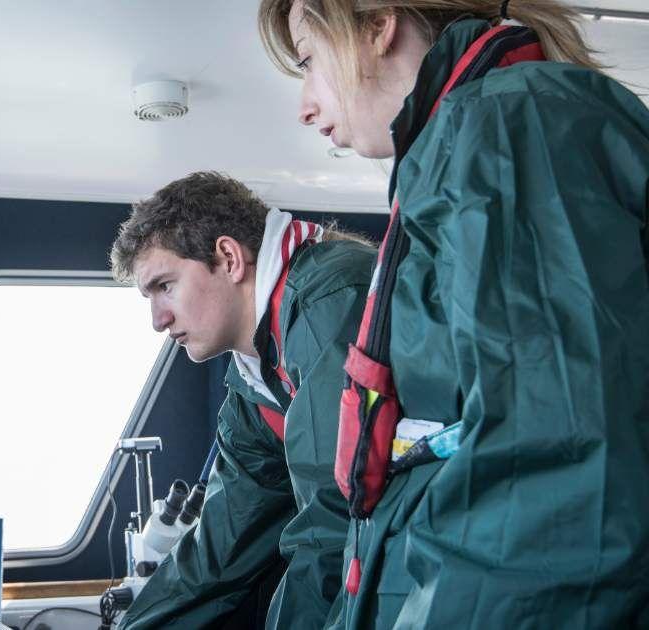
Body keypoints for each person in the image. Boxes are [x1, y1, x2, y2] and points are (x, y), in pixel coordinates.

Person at [258, 1, 649, 627]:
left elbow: (558, 474)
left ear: (378, 27)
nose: (304, 104)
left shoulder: (508, 125)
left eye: (308, 63)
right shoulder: (460, 149)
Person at [109, 172, 376, 629]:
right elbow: (218, 549)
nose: (158, 319)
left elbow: (335, 525)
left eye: (165, 286)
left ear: (229, 258)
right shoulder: (255, 381)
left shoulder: (328, 303)